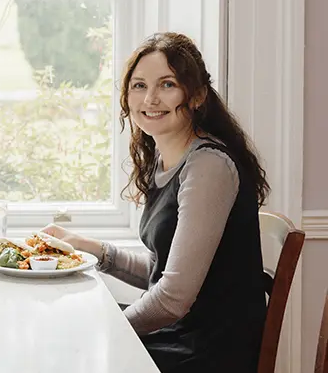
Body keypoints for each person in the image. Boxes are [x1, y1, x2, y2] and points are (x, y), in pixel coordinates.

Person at [42, 32, 268, 372]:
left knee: (67, 347)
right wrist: (89, 249)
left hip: (206, 351)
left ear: (197, 95)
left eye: (167, 84)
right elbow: (164, 271)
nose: (150, 98)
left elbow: (174, 298)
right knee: (58, 327)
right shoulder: (166, 161)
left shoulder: (208, 167)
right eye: (139, 85)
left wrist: (106, 332)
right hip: (180, 335)